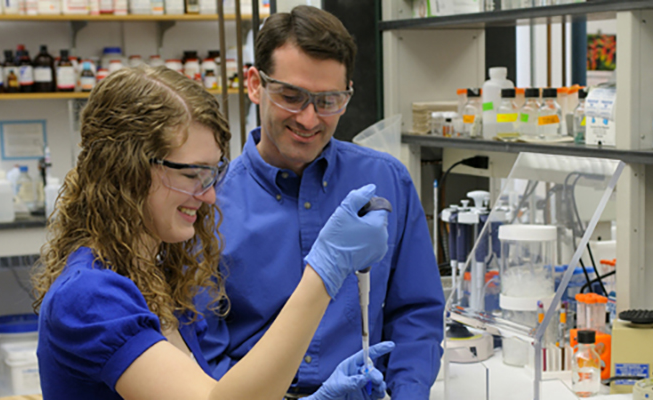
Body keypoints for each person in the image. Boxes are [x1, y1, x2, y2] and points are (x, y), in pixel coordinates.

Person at [31, 66, 395, 400]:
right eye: (192, 176)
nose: (208, 196)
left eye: (211, 175)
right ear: (127, 171)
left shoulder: (153, 279)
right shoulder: (89, 297)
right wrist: (323, 272)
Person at [212, 6, 445, 399]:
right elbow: (205, 352)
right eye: (291, 96)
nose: (309, 119)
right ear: (255, 84)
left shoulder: (387, 181)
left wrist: (407, 392)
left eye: (329, 100)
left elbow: (416, 315)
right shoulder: (210, 202)